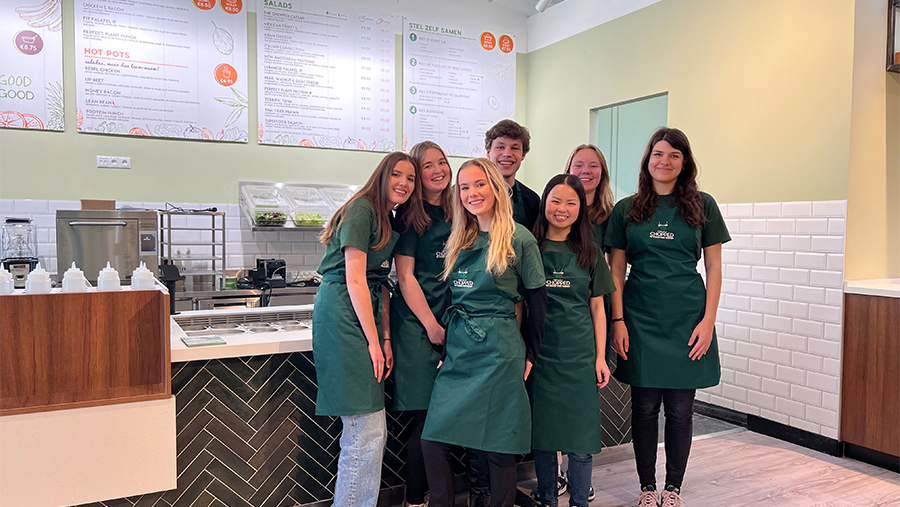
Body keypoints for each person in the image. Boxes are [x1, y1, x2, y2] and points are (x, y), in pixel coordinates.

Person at [605, 128, 730, 507]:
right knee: (643, 409)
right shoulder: (626, 209)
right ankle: (647, 487)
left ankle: (673, 488)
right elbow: (615, 270)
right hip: (639, 319)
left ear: (685, 162)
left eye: (674, 155)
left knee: (679, 411)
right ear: (648, 160)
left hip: (687, 320)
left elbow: (714, 267)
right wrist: (617, 321)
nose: (665, 161)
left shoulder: (703, 205)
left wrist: (708, 321)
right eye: (658, 154)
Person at [420, 158, 547, 507]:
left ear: (495, 187)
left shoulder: (519, 239)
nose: (472, 193)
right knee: (433, 438)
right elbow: (452, 299)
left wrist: (531, 354)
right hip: (460, 349)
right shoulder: (460, 238)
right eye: (464, 187)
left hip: (499, 349)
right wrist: (446, 352)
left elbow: (537, 301)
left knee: (497, 444)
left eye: (479, 184)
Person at [313, 151, 425, 507]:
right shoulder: (362, 209)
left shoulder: (387, 218)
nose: (404, 183)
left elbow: (381, 285)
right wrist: (374, 343)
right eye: (397, 174)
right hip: (343, 314)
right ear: (382, 175)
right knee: (366, 430)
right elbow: (356, 280)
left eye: (410, 178)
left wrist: (385, 338)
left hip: (365, 314)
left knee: (367, 432)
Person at [530, 174, 616, 507]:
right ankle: (548, 500)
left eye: (571, 202)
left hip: (579, 356)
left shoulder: (589, 250)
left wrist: (600, 357)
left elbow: (598, 307)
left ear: (581, 208)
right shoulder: (529, 247)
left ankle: (580, 501)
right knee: (544, 439)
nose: (562, 209)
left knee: (581, 441)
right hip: (541, 356)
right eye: (555, 200)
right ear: (544, 203)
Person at [391, 141, 455, 507]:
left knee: (443, 417)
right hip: (418, 325)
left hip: (450, 322)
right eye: (428, 165)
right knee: (426, 417)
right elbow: (405, 277)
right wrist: (431, 326)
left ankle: (435, 495)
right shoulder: (408, 217)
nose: (438, 170)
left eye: (442, 162)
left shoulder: (458, 209)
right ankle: (415, 499)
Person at [558, 143, 616, 500]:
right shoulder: (556, 209)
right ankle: (557, 472)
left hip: (593, 311)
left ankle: (577, 473)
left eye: (593, 165)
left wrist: (616, 318)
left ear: (602, 172)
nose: (586, 171)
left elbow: (615, 269)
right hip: (557, 321)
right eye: (579, 164)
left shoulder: (610, 216)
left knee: (582, 399)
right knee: (552, 400)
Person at [485, 119, 541, 229]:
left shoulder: (532, 200)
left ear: (523, 155)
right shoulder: (468, 195)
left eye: (515, 148)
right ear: (488, 152)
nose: (507, 154)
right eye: (500, 147)